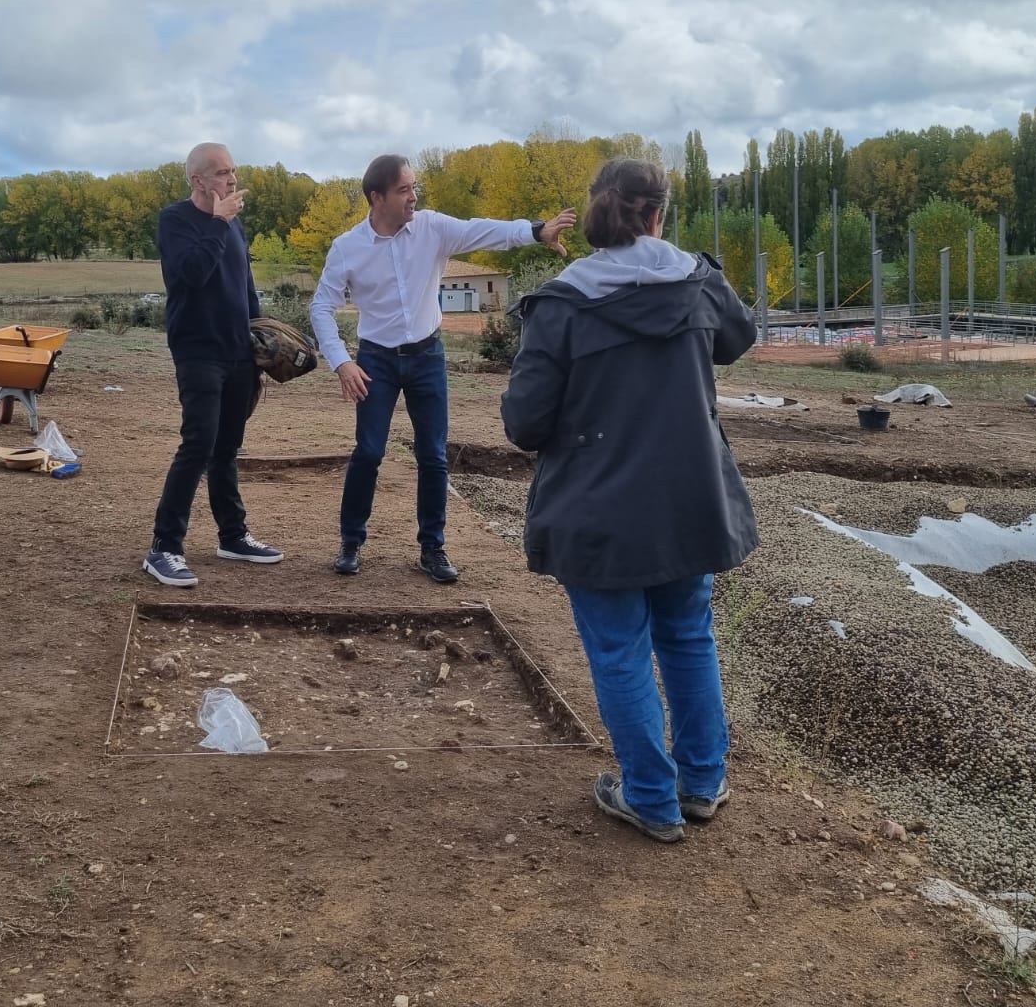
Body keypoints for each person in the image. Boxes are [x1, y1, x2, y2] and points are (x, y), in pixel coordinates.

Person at [500, 157, 758, 843]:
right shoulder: (699, 283)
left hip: (600, 510)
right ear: (657, 215)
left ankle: (650, 795)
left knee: (620, 650)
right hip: (689, 500)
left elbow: (523, 423)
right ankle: (701, 781)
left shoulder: (561, 303)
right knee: (687, 634)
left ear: (598, 212)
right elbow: (740, 338)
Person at [309, 154, 574, 583]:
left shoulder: (432, 228)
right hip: (375, 361)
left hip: (427, 357)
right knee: (369, 452)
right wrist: (341, 362)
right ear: (376, 197)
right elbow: (321, 307)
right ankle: (351, 541)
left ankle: (433, 547)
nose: (413, 197)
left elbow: (481, 228)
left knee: (433, 456)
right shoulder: (347, 248)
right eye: (403, 190)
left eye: (415, 188)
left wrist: (536, 230)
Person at [141, 142, 283, 589]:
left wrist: (260, 339)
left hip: (239, 351)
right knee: (198, 443)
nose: (232, 180)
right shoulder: (175, 221)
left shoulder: (234, 224)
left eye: (233, 171)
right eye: (222, 173)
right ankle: (164, 547)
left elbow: (245, 285)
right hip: (197, 350)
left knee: (227, 447)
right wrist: (219, 222)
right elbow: (191, 274)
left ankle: (233, 535)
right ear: (198, 180)